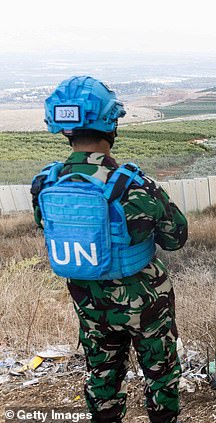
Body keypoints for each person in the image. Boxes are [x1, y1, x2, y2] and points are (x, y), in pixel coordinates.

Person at [30, 76, 188, 423]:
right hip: (145, 302)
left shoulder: (46, 182)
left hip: (87, 301)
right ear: (111, 124)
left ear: (63, 129)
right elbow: (176, 237)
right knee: (160, 376)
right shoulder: (134, 185)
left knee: (102, 376)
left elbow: (49, 229)